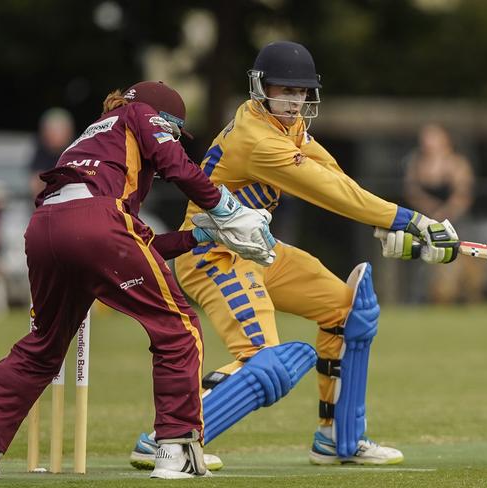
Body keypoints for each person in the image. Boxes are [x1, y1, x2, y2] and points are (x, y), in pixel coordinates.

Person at [130, 41, 459, 469]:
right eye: (284, 90)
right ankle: (167, 438)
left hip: (258, 251)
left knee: (348, 311)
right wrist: (411, 221)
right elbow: (329, 192)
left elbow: (335, 176)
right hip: (213, 255)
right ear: (261, 88)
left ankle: (338, 437)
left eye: (301, 92)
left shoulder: (289, 126)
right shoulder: (258, 140)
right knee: (265, 361)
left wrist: (383, 223)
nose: (294, 100)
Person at [0, 81, 276, 480]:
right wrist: (227, 209)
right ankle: (176, 447)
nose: (173, 141)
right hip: (95, 224)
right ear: (161, 119)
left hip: (43, 230)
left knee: (41, 349)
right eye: (174, 131)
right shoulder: (138, 112)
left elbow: (134, 247)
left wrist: (199, 235)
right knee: (178, 328)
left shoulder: (92, 141)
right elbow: (173, 166)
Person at [403, 123, 484, 303]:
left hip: (456, 221)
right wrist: (431, 213)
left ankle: (470, 299)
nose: (427, 142)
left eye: (432, 137)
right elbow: (412, 192)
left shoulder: (457, 163)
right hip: (425, 221)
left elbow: (463, 195)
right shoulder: (416, 163)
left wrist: (445, 214)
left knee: (465, 266)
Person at [28, 108, 75, 198]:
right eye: (51, 130)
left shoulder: (77, 151)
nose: (54, 135)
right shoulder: (41, 151)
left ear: (69, 132)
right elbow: (36, 182)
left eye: (58, 131)